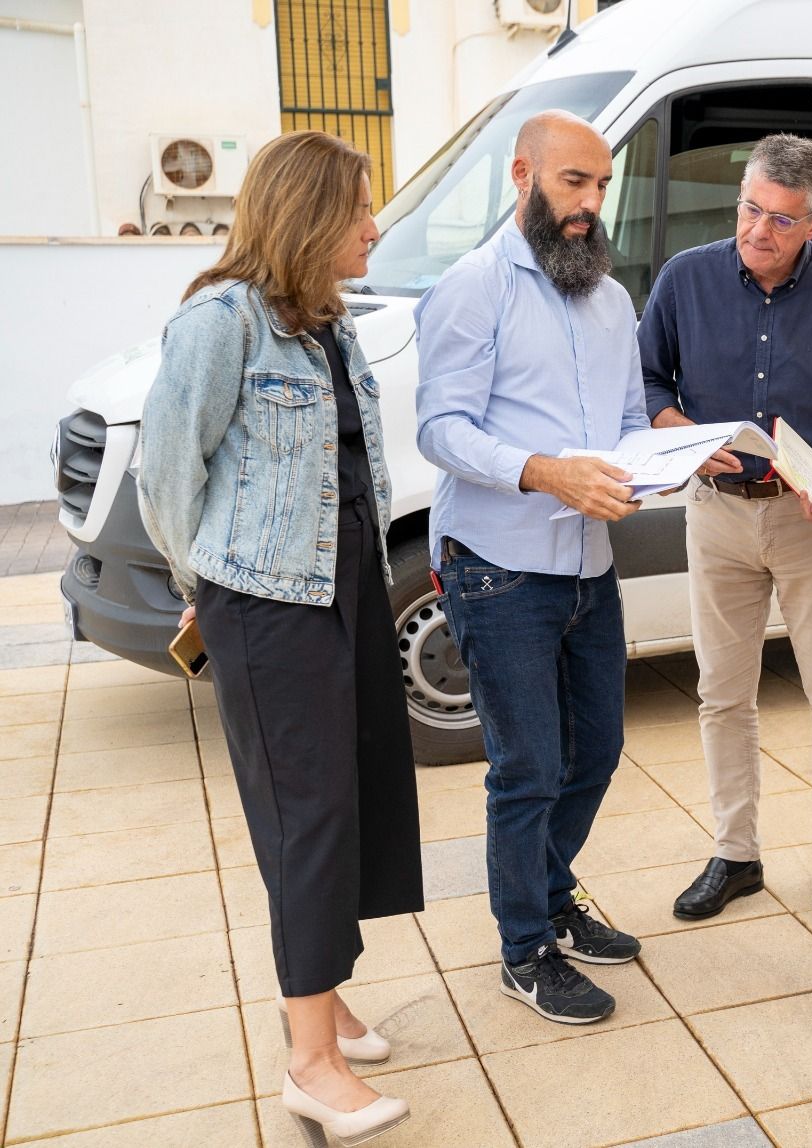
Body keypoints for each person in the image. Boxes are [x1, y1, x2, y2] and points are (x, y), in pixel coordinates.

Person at [138, 130, 420, 1145]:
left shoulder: (327, 323)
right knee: (308, 817)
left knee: (349, 802)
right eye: (358, 211)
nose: (374, 227)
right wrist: (204, 581)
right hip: (268, 606)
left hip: (340, 588)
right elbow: (164, 473)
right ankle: (312, 1061)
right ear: (307, 215)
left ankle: (324, 995)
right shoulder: (222, 323)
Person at [414, 110, 645, 1027]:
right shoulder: (474, 286)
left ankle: (550, 891)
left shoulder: (612, 299)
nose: (590, 205)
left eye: (600, 187)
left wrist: (666, 461)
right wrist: (546, 471)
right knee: (528, 768)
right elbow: (442, 428)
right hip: (498, 567)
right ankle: (524, 950)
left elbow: (626, 420)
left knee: (599, 749)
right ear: (524, 177)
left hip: (590, 563)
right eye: (572, 183)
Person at [638, 134, 812, 921]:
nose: (759, 230)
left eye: (782, 221)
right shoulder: (684, 279)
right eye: (752, 208)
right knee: (722, 695)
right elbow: (648, 381)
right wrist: (679, 429)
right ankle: (735, 853)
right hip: (717, 514)